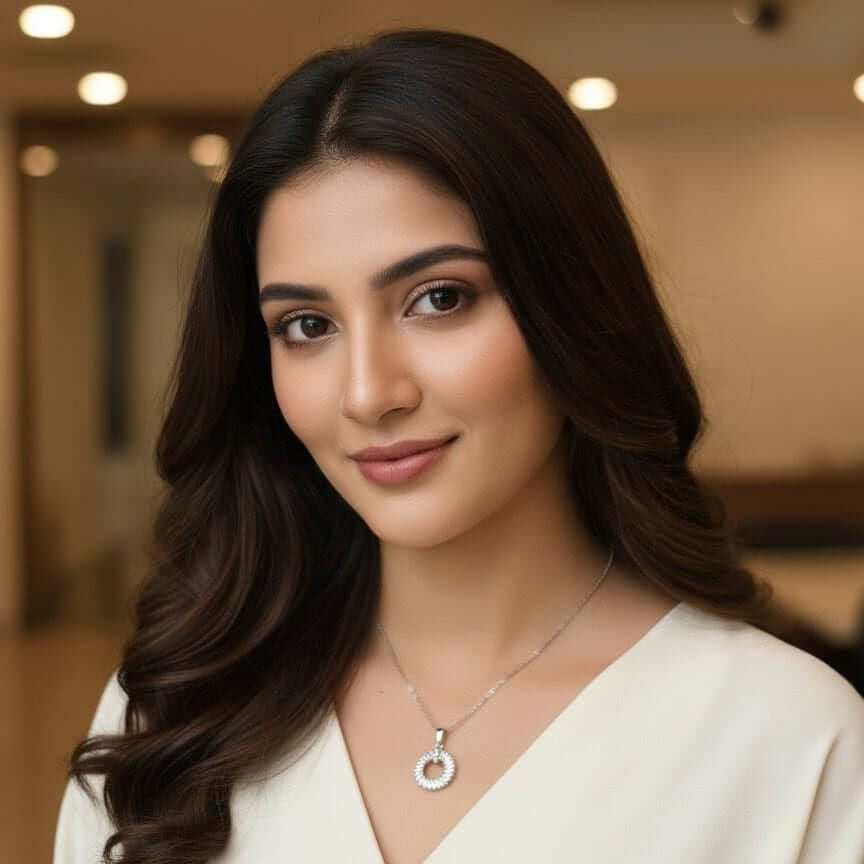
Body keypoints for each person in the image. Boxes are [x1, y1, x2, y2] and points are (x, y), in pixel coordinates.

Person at [53, 26, 863, 864]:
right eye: (306, 325)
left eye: (438, 298)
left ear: (572, 308)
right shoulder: (174, 717)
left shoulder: (791, 741)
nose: (368, 393)